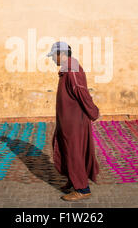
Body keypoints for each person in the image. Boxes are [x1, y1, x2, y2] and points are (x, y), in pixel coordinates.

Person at [47, 41, 101, 201]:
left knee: (74, 153)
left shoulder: (72, 70)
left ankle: (82, 189)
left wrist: (94, 112)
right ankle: (73, 180)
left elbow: (81, 93)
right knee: (67, 151)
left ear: (61, 54)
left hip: (75, 123)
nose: (52, 59)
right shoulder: (66, 70)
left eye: (53, 56)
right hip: (68, 121)